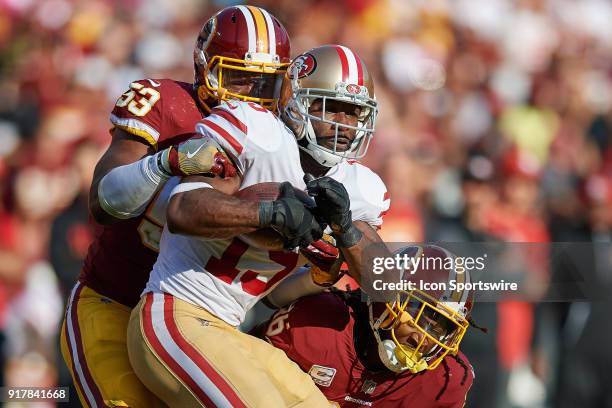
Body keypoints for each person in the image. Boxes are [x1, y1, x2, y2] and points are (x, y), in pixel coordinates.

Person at [126, 45, 390, 407]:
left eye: (355, 113)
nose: (344, 124)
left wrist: (346, 228)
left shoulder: (359, 187)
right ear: (297, 102)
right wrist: (267, 214)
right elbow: (184, 209)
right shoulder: (257, 132)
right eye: (332, 108)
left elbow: (385, 286)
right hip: (176, 313)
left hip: (228, 330)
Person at [59, 6, 291, 407]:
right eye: (238, 77)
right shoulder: (164, 102)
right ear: (204, 67)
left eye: (264, 84)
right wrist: (166, 162)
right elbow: (102, 201)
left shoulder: (278, 138)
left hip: (200, 323)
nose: (250, 97)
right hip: (114, 301)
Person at [259, 245, 476, 407]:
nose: (422, 337)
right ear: (385, 297)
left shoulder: (445, 381)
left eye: (440, 328)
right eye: (419, 316)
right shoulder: (317, 323)